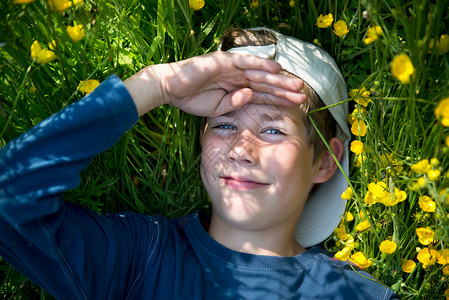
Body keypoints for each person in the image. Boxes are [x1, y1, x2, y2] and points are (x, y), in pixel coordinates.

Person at [0, 28, 398, 299]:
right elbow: (9, 194)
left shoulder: (355, 293)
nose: (241, 149)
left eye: (273, 130)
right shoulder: (140, 257)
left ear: (326, 163)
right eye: (224, 124)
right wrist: (156, 85)